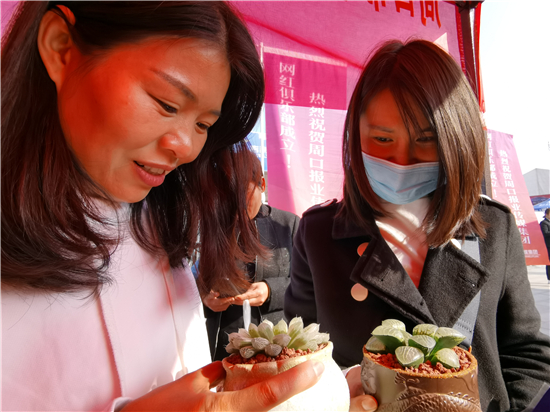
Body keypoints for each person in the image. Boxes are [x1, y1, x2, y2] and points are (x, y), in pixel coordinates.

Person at [1, 2, 323, 411]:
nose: (185, 147)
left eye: (203, 124)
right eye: (166, 103)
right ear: (60, 47)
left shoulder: (159, 221)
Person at [284, 39, 550, 412]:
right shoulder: (318, 232)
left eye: (425, 140)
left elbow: (526, 351)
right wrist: (341, 389)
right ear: (355, 133)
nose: (401, 160)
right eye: (382, 138)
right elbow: (303, 352)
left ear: (457, 141)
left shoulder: (493, 226)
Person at [201, 150, 300, 361]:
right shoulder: (214, 227)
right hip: (226, 344)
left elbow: (309, 286)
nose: (236, 208)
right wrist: (206, 299)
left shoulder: (288, 224)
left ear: (262, 184)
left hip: (276, 342)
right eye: (228, 198)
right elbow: (200, 280)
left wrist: (271, 290)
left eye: (243, 197)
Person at [541, 208, 550, 283]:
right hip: (548, 245)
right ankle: (549, 278)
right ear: (546, 214)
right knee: (549, 262)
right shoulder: (544, 223)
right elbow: (545, 233)